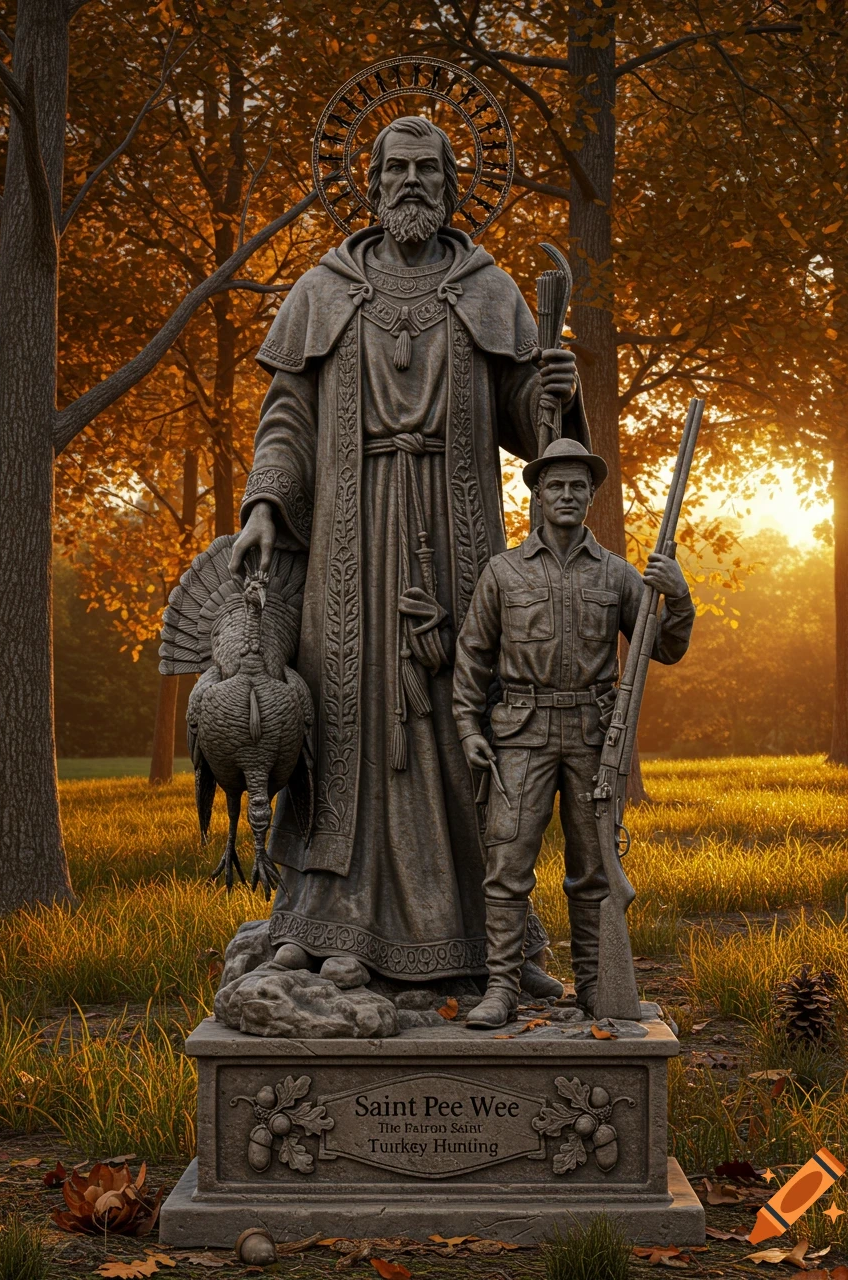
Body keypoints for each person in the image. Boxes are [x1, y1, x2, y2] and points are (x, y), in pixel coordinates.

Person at [229, 116, 586, 987]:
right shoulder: (327, 288)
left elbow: (530, 432)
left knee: (469, 718)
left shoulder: (487, 288)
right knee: (347, 719)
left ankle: (496, 941)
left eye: (430, 168)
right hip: (349, 539)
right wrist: (266, 503)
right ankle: (330, 925)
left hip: (459, 537)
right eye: (398, 169)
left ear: (452, 183)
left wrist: (552, 393)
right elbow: (289, 415)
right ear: (374, 182)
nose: (413, 182)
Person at [452, 438, 695, 1027]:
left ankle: (596, 989)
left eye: (577, 487)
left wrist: (679, 594)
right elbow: (473, 657)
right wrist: (466, 726)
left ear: (590, 497)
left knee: (594, 872)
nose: (566, 495)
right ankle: (502, 990)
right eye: (555, 486)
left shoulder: (616, 575)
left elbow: (661, 648)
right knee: (507, 867)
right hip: (519, 736)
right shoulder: (503, 572)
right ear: (536, 496)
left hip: (592, 739)